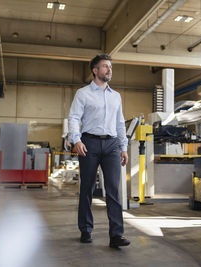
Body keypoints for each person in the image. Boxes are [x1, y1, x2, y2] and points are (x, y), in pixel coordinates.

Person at [68, 54, 130, 248]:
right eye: (105, 66)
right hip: (89, 143)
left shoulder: (116, 96)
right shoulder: (83, 93)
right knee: (86, 187)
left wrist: (123, 146)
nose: (109, 69)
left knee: (113, 189)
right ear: (95, 70)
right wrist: (76, 139)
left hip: (111, 145)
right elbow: (74, 118)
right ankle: (86, 229)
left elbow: (120, 123)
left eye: (110, 66)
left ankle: (116, 235)